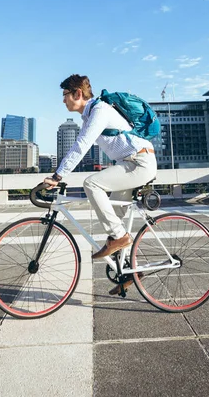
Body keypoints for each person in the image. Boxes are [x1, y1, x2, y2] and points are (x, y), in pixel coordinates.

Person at [44, 74, 157, 293]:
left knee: (92, 184)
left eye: (65, 95)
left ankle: (120, 237)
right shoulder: (89, 116)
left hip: (139, 163)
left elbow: (81, 145)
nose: (63, 100)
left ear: (78, 93)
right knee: (114, 221)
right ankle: (129, 272)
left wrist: (58, 176)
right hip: (128, 164)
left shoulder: (99, 110)